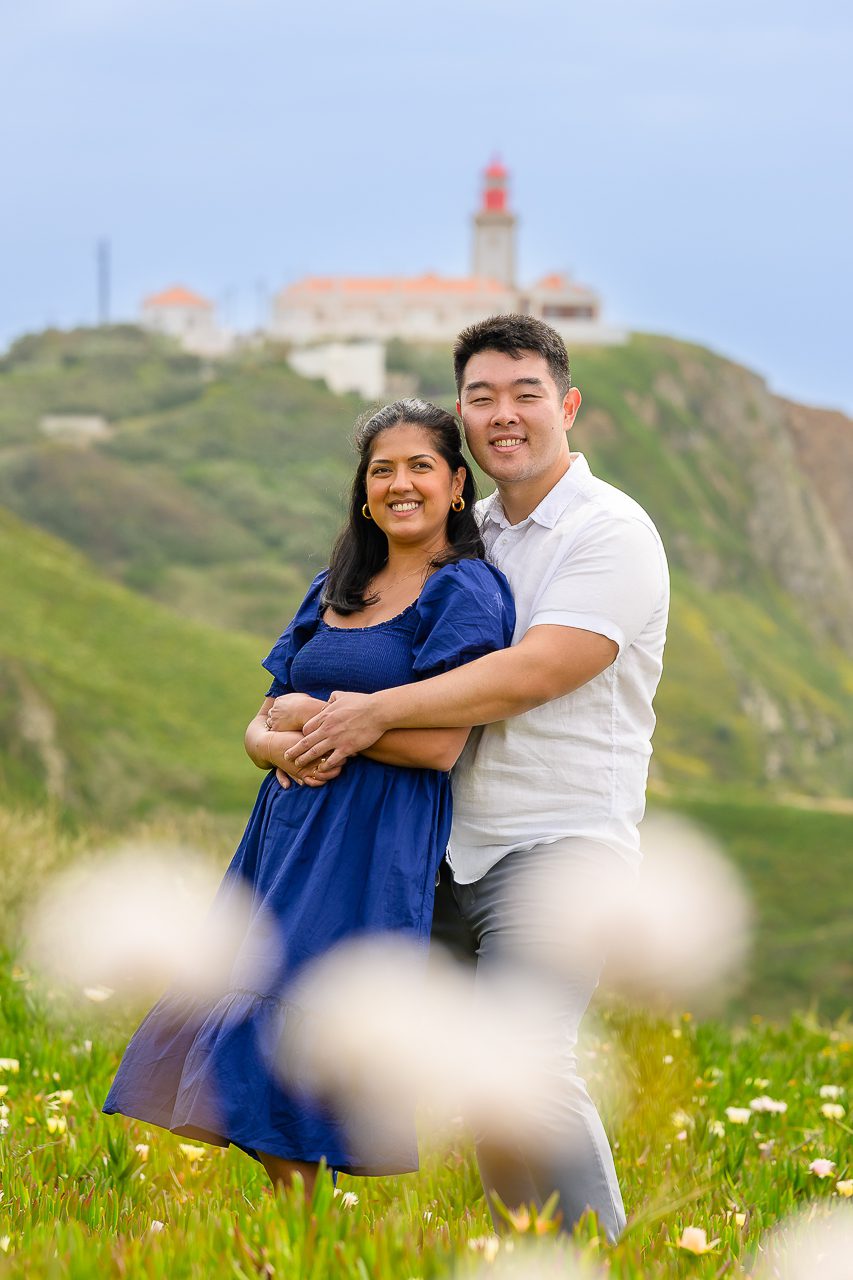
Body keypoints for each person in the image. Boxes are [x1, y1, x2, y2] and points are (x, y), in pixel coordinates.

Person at [282, 314, 670, 1240]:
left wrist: (369, 714)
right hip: (445, 845)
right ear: (462, 413)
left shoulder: (610, 530)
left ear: (566, 405)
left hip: (561, 845)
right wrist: (287, 721)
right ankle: (542, 1256)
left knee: (526, 1057)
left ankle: (607, 1261)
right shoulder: (472, 533)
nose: (504, 415)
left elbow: (535, 670)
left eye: (525, 394)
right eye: (482, 398)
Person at [102, 399, 515, 1195]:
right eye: (381, 470)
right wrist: (276, 741)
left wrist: (315, 723)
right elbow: (261, 721)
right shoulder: (336, 585)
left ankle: (309, 1228)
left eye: (420, 466)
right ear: (363, 491)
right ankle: (299, 1225)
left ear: (457, 485)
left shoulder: (464, 591)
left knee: (307, 1024)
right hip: (285, 831)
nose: (400, 484)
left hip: (370, 837)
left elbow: (439, 744)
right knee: (239, 1013)